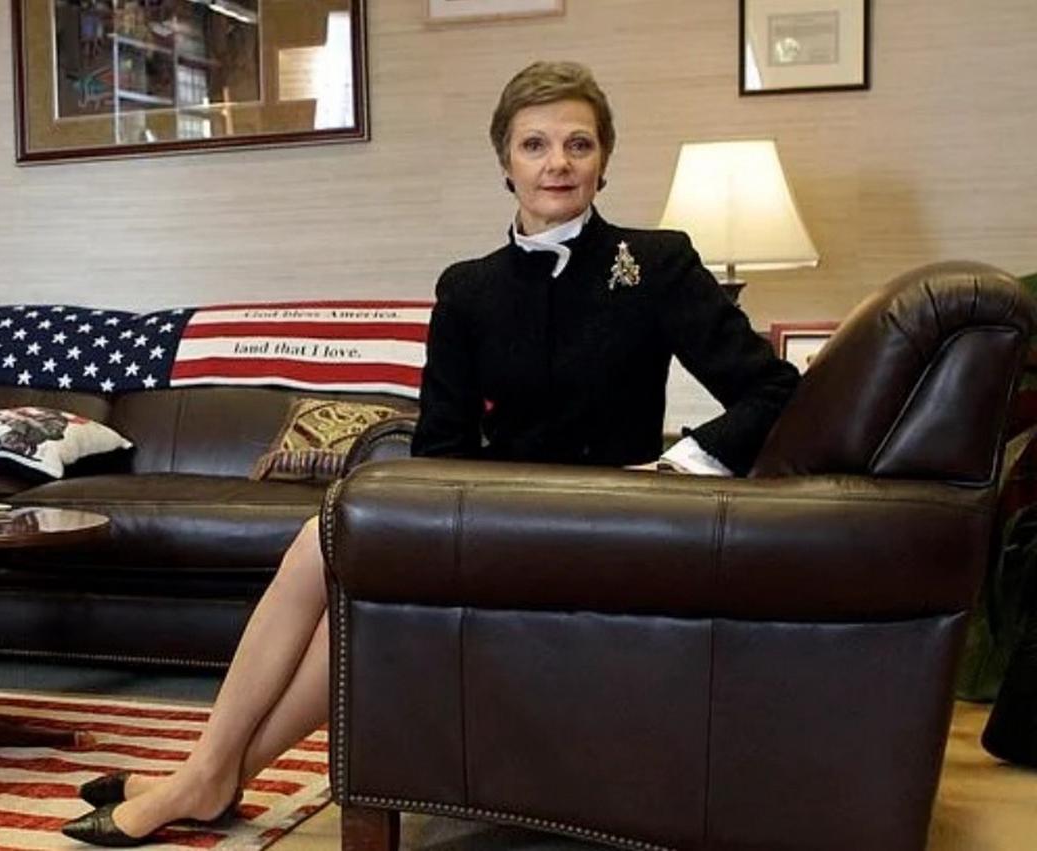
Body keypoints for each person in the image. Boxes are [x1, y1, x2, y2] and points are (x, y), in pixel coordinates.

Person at [61, 60, 799, 846]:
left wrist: (674, 468)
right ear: (505, 161)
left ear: (604, 159)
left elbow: (774, 389)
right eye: (535, 144)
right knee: (333, 547)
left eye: (578, 144)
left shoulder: (657, 263)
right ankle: (208, 775)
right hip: (492, 517)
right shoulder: (469, 289)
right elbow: (441, 444)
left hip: (608, 524)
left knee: (327, 545)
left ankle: (205, 776)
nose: (557, 163)